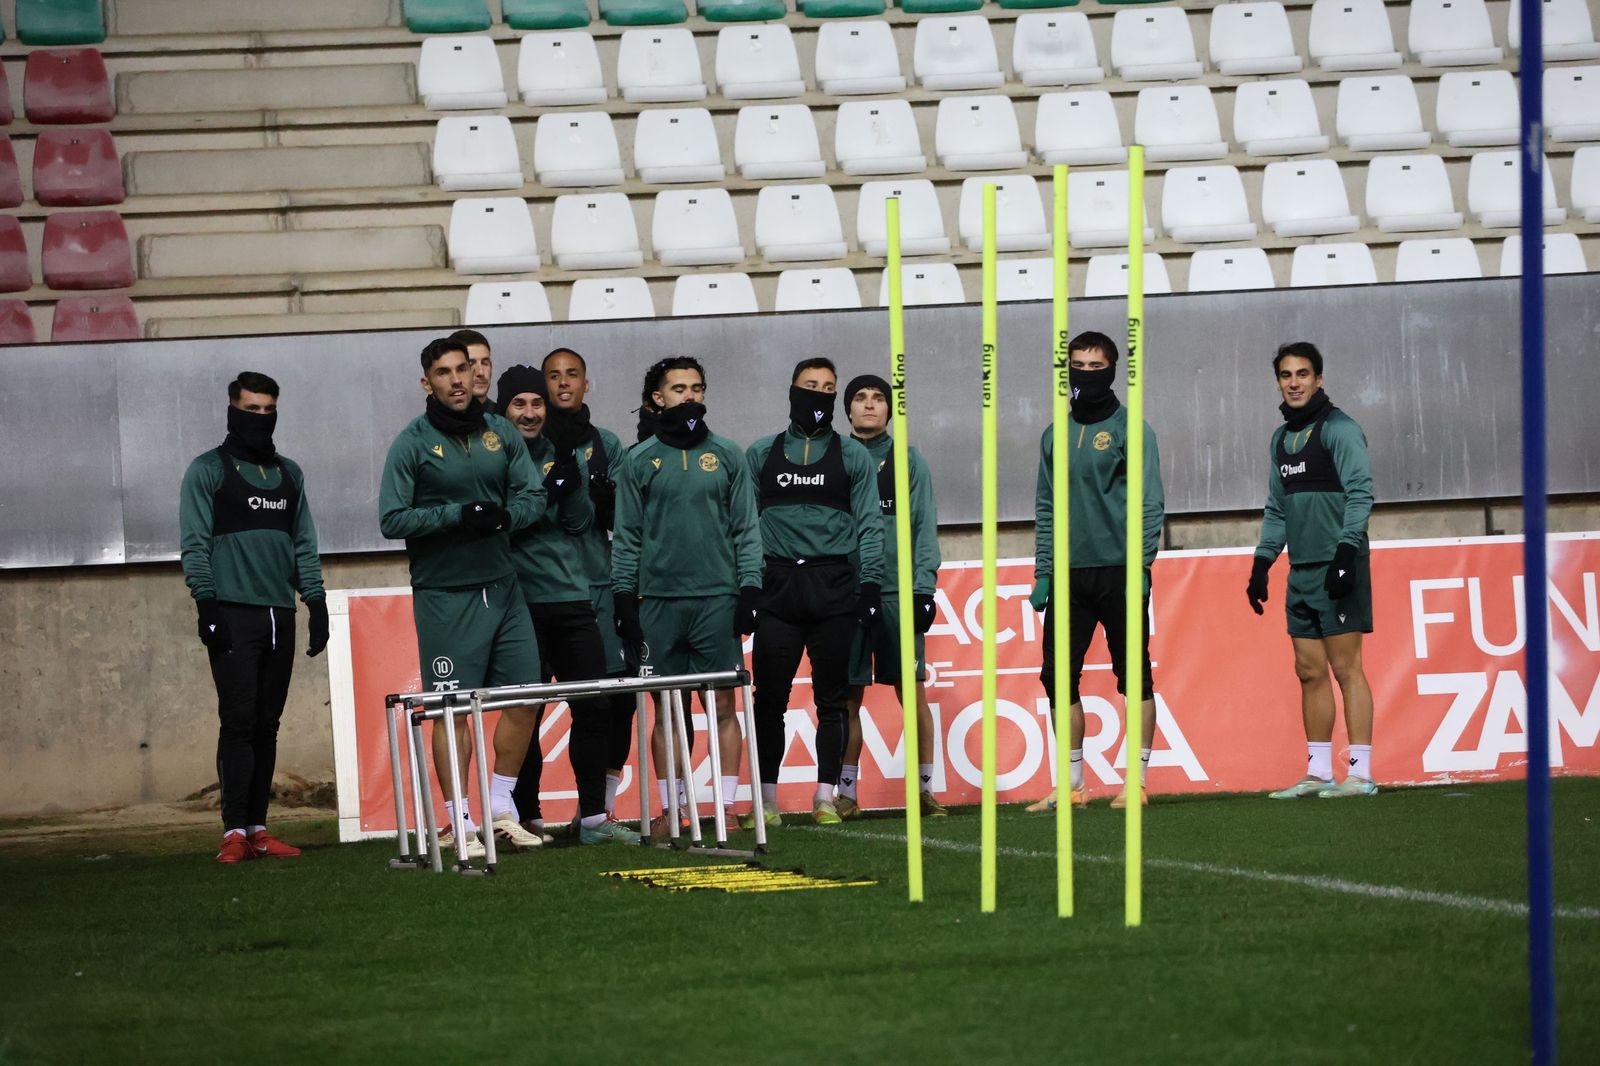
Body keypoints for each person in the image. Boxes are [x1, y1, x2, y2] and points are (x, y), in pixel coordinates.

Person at [379, 337, 547, 858]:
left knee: (525, 697)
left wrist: (504, 516)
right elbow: (392, 518)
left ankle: (500, 811)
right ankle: (459, 823)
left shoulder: (500, 431)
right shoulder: (411, 443)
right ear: (427, 382)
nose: (456, 379)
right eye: (444, 372)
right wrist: (456, 516)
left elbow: (532, 495)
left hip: (503, 586)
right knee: (453, 709)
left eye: (463, 369)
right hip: (445, 594)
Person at [180, 372, 327, 864]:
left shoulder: (290, 474)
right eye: (251, 409)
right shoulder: (208, 471)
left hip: (279, 616)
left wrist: (316, 601)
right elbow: (194, 543)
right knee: (238, 722)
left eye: (268, 411)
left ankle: (259, 829)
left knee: (268, 725)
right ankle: (233, 833)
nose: (259, 418)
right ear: (231, 407)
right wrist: (206, 603)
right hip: (233, 614)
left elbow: (303, 542)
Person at [611, 357, 762, 837]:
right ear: (658, 399)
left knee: (722, 707)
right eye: (678, 389)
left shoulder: (729, 455)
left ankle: (727, 807)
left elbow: (746, 529)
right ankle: (673, 811)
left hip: (717, 600)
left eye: (697, 388)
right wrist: (623, 598)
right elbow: (628, 537)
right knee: (667, 710)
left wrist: (750, 587)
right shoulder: (637, 461)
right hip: (657, 603)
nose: (689, 397)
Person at [498, 366, 639, 844]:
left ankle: (595, 819)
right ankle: (526, 815)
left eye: (536, 404)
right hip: (521, 601)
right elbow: (505, 526)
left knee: (593, 707)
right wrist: (542, 500)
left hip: (574, 597)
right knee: (526, 711)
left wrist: (571, 483)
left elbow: (580, 524)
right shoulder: (497, 456)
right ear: (504, 409)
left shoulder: (564, 454)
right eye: (520, 404)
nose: (531, 412)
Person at [1027, 331, 1164, 811]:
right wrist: (1044, 571)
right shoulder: (1053, 435)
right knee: (1057, 677)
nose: (1086, 374)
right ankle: (1073, 785)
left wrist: (1142, 565)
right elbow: (1045, 506)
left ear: (1112, 370)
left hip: (1119, 571)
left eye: (1095, 366)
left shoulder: (1132, 429)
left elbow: (1150, 503)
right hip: (1068, 577)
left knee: (1135, 677)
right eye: (1077, 366)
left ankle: (1138, 783)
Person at [745, 358, 885, 826]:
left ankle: (825, 797)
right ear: (792, 390)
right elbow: (742, 527)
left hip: (834, 589)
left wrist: (869, 585)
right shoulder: (761, 453)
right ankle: (766, 802)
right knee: (769, 700)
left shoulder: (852, 457)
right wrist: (744, 586)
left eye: (828, 388)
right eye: (811, 386)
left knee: (833, 699)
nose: (819, 396)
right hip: (777, 589)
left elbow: (870, 525)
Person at [1248, 342, 1377, 799]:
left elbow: (1361, 493)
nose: (1295, 382)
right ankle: (1318, 773)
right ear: (1279, 381)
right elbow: (1277, 508)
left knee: (1347, 669)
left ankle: (1360, 774)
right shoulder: (1281, 440)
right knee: (1308, 671)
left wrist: (1345, 556)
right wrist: (1263, 562)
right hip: (1300, 571)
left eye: (1303, 374)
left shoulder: (1339, 430)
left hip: (1336, 566)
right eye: (1286, 375)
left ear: (1319, 379)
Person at [836, 374, 945, 820]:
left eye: (879, 398)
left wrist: (923, 588)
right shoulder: (834, 457)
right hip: (846, 593)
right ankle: (845, 794)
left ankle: (924, 789)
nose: (869, 405)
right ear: (847, 409)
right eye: (860, 398)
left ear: (889, 409)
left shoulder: (908, 460)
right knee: (847, 697)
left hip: (898, 591)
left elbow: (924, 527)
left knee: (912, 692)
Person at [542, 346, 637, 818]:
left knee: (617, 703)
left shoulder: (607, 444)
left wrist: (608, 503)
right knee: (531, 706)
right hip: (542, 590)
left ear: (586, 384)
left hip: (598, 588)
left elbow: (627, 518)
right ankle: (523, 814)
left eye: (572, 375)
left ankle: (599, 810)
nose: (563, 383)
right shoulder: (525, 443)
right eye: (554, 376)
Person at [450, 328, 495, 412]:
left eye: (485, 363)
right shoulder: (433, 421)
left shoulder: (505, 421)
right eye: (470, 364)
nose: (480, 372)